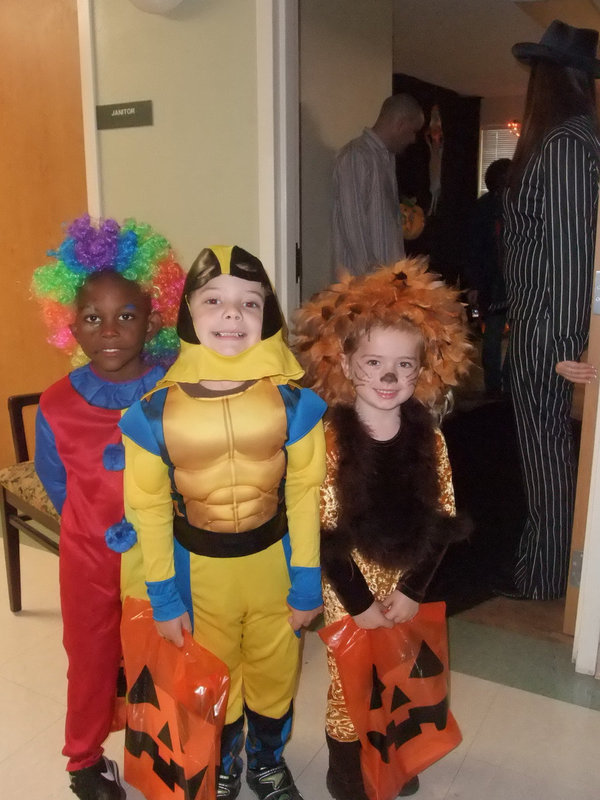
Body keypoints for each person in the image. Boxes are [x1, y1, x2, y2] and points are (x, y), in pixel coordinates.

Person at [119, 245, 326, 800]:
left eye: (249, 302)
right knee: (215, 677)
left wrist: (308, 578)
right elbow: (148, 508)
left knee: (275, 675)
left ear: (268, 315)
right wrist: (163, 595)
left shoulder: (297, 404)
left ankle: (265, 764)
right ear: (189, 311)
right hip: (198, 570)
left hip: (274, 566)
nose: (232, 315)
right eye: (214, 300)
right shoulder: (150, 415)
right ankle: (224, 763)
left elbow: (307, 492)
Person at [293, 259, 471, 800]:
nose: (390, 378)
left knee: (397, 671)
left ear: (422, 370)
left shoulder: (430, 439)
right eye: (374, 362)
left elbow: (442, 520)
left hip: (404, 578)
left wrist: (412, 591)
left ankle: (394, 751)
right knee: (350, 683)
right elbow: (325, 531)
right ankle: (346, 770)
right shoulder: (328, 440)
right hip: (347, 583)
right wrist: (359, 601)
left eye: (403, 365)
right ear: (346, 364)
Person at [32, 214, 184, 800]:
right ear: (70, 326)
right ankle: (84, 761)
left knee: (168, 650)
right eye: (93, 318)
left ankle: (172, 745)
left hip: (165, 555)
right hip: (87, 559)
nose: (111, 330)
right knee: (90, 659)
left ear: (153, 318)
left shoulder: (175, 387)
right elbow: (57, 483)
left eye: (127, 315)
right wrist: (94, 531)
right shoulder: (55, 403)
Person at [502, 19, 600, 600]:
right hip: (544, 328)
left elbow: (568, 255)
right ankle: (546, 577)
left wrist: (564, 347)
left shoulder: (565, 142)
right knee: (551, 463)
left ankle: (545, 583)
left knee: (549, 466)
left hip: (548, 336)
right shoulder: (570, 138)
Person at [332, 94, 425, 276]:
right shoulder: (356, 156)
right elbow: (353, 229)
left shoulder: (386, 158)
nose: (413, 139)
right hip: (365, 290)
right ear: (401, 124)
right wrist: (373, 285)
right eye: (413, 131)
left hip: (387, 285)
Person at [466, 157, 511, 396]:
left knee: (514, 338)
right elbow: (474, 248)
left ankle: (506, 385)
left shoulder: (517, 205)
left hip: (514, 283)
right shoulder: (483, 209)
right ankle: (494, 387)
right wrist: (474, 283)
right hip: (493, 282)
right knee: (492, 336)